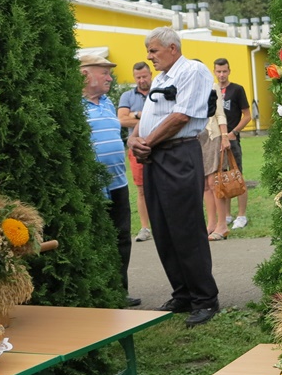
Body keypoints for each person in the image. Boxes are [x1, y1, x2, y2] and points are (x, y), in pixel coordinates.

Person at [127, 27, 220, 327]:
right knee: (164, 228)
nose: (149, 57)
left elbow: (182, 116)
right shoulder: (161, 78)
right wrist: (134, 140)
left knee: (186, 227)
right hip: (155, 155)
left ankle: (205, 298)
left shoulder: (193, 71)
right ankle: (183, 294)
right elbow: (148, 115)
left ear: (172, 48)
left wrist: (147, 141)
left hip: (179, 154)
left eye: (153, 51)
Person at [79, 53, 138, 307]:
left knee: (122, 238)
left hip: (118, 184)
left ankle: (120, 292)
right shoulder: (74, 106)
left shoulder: (107, 103)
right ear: (85, 75)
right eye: (104, 73)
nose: (110, 78)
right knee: (98, 240)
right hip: (93, 187)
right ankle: (101, 294)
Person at [214, 58, 252, 229]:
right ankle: (227, 215)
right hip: (216, 140)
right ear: (214, 72)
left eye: (224, 71)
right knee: (222, 177)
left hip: (232, 140)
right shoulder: (212, 91)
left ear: (229, 71)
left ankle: (241, 215)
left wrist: (233, 133)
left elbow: (247, 116)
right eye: (218, 71)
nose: (222, 75)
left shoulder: (237, 89)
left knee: (237, 176)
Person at [117, 62, 153, 242]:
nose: (141, 80)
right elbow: (122, 120)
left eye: (144, 76)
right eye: (138, 77)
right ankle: (145, 228)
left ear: (151, 74)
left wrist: (135, 115)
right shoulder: (127, 96)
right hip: (137, 148)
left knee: (163, 186)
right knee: (141, 189)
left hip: (159, 145)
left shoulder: (159, 91)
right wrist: (144, 117)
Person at [200, 73, 230, 241]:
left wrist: (224, 136)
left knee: (214, 182)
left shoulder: (212, 87)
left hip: (213, 136)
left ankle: (222, 225)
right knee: (205, 184)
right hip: (198, 139)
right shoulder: (187, 89)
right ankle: (211, 224)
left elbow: (220, 113)